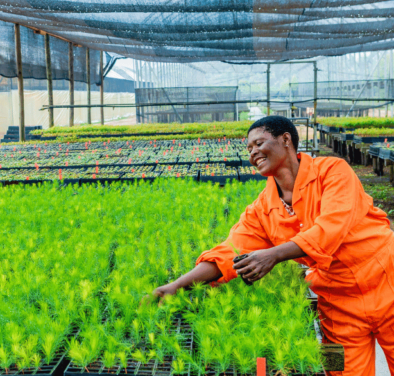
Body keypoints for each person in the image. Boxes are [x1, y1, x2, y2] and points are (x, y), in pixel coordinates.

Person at [154, 116, 394, 376]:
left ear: (286, 139)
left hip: (386, 282)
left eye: (258, 143)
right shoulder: (261, 208)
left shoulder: (333, 171)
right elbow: (229, 252)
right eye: (249, 149)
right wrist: (178, 285)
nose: (253, 152)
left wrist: (273, 255)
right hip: (337, 305)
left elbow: (331, 228)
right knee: (341, 371)